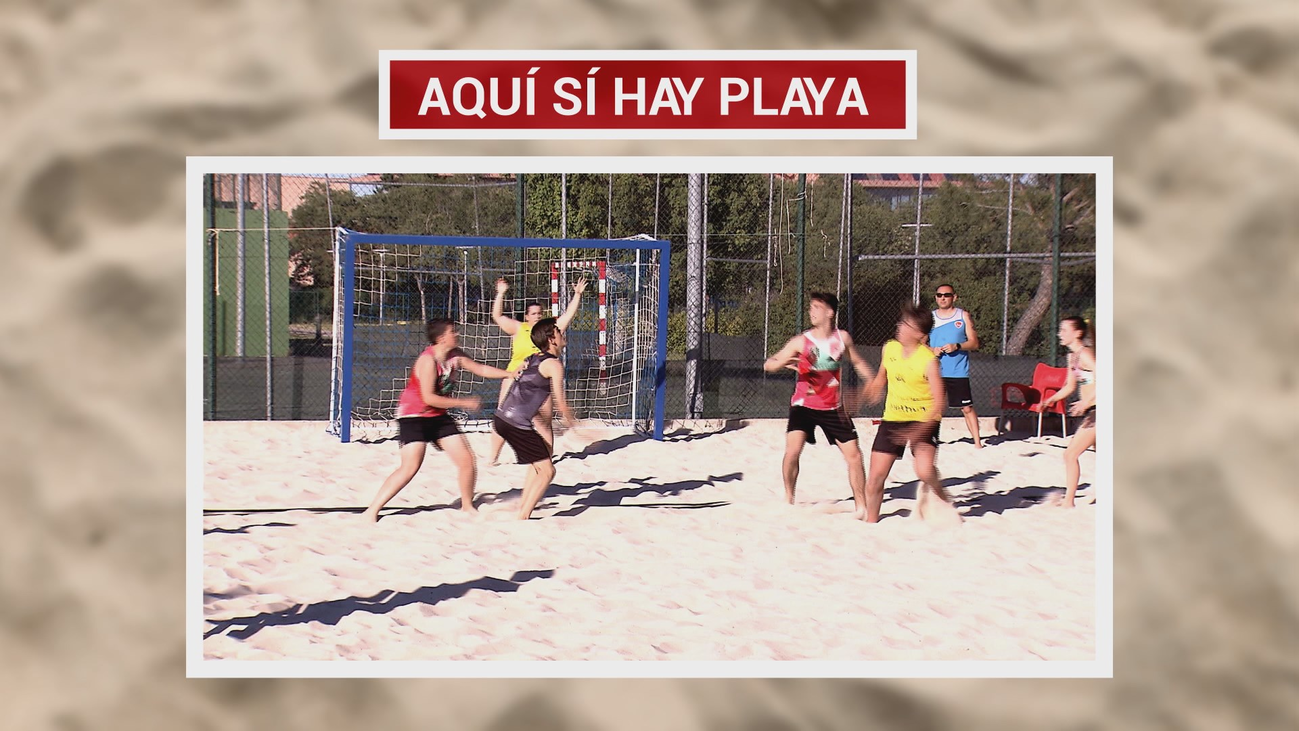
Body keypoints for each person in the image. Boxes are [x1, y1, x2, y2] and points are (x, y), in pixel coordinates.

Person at [362, 319, 513, 522]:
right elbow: (428, 398)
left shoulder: (455, 355)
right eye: (453, 332)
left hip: (438, 416)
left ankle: (467, 506)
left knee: (466, 460)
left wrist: (511, 373)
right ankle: (372, 510)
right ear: (441, 338)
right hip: (414, 416)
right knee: (410, 467)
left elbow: (481, 369)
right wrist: (464, 403)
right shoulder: (428, 361)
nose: (457, 334)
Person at [763, 292, 878, 520]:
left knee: (854, 456)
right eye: (810, 307)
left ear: (830, 312)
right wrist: (784, 361)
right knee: (792, 451)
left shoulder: (842, 338)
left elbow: (857, 361)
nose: (811, 311)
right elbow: (769, 364)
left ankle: (861, 507)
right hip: (803, 405)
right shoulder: (801, 341)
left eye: (817, 307)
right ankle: (788, 499)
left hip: (832, 407)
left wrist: (871, 380)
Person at [863, 302, 962, 525]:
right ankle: (871, 523)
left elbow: (939, 403)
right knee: (875, 478)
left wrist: (919, 428)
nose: (900, 326)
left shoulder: (928, 361)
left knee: (924, 470)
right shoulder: (889, 348)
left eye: (906, 324)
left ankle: (941, 495)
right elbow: (881, 377)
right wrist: (867, 392)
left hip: (923, 419)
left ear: (920, 334)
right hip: (894, 418)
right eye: (901, 321)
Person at [484, 276, 588, 465]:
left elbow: (568, 316)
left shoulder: (549, 332)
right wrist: (500, 293)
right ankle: (492, 457)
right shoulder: (518, 328)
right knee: (504, 416)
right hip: (515, 377)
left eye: (540, 313)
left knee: (543, 421)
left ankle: (547, 456)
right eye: (533, 313)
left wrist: (577, 295)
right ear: (526, 316)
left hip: (539, 381)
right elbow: (497, 316)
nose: (537, 316)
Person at [494, 318, 579, 520]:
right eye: (558, 331)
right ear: (551, 339)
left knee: (542, 459)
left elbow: (526, 390)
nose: (562, 333)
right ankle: (523, 517)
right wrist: (574, 424)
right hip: (516, 423)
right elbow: (560, 402)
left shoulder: (532, 357)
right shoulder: (554, 365)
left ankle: (524, 505)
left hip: (502, 418)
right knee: (548, 471)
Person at [1041, 316, 1097, 507]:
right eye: (1060, 330)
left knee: (1070, 455)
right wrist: (1050, 400)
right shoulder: (1072, 357)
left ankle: (1069, 502)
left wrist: (1086, 401)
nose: (1059, 334)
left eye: (1064, 330)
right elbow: (1070, 387)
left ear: (1078, 333)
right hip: (1092, 410)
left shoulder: (1086, 354)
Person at [929, 284, 983, 448]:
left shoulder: (963, 315)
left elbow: (974, 343)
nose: (943, 298)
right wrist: (933, 350)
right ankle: (930, 440)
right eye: (939, 295)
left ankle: (977, 443)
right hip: (935, 371)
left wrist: (957, 346)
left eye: (946, 295)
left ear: (954, 297)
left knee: (966, 408)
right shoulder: (929, 318)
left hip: (957, 371)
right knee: (934, 408)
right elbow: (919, 343)